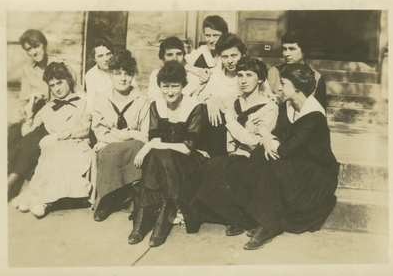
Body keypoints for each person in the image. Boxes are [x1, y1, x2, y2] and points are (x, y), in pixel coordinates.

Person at [221, 63, 339, 250]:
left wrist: (267, 138)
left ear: (297, 87)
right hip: (297, 164)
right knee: (262, 153)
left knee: (273, 161)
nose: (279, 88)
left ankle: (268, 225)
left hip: (316, 175)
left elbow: (285, 149)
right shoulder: (287, 106)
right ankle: (260, 218)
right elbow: (279, 137)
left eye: (283, 83)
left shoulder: (314, 115)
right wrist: (268, 139)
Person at [197, 56, 279, 237]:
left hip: (251, 158)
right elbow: (202, 96)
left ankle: (237, 219)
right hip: (230, 155)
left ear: (261, 79)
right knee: (208, 165)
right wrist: (210, 101)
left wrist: (231, 121)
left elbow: (255, 141)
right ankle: (233, 218)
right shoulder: (232, 100)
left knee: (217, 166)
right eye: (240, 75)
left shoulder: (269, 107)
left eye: (249, 75)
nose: (243, 80)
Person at [129, 61, 207, 247]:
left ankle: (153, 221)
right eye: (165, 86)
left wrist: (148, 147)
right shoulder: (156, 105)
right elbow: (154, 137)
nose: (170, 92)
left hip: (188, 162)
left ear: (183, 86)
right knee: (159, 156)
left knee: (158, 154)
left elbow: (187, 148)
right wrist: (152, 146)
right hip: (164, 161)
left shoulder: (195, 107)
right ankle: (151, 219)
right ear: (160, 86)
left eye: (175, 86)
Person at [11, 62, 93, 218]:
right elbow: (28, 133)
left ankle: (45, 202)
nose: (57, 88)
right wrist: (29, 112)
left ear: (68, 80)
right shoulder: (47, 108)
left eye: (60, 83)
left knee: (57, 153)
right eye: (53, 85)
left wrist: (58, 135)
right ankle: (33, 197)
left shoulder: (83, 103)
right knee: (51, 153)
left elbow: (85, 130)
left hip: (77, 147)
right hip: (55, 148)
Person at [8, 29, 82, 200]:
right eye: (29, 49)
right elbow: (23, 99)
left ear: (44, 44)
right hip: (35, 114)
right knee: (12, 134)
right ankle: (16, 180)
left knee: (30, 140)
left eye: (36, 46)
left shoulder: (61, 66)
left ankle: (12, 182)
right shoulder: (28, 70)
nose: (34, 51)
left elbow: (77, 93)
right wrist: (24, 113)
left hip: (57, 117)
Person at [91, 50, 151, 222]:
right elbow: (100, 131)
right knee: (107, 152)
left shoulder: (142, 100)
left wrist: (122, 134)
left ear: (133, 75)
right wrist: (127, 134)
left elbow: (145, 135)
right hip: (112, 144)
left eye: (128, 73)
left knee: (117, 150)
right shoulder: (101, 99)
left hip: (134, 146)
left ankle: (129, 196)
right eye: (118, 74)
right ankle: (107, 199)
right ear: (110, 74)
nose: (123, 78)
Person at [194, 33, 245, 156]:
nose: (230, 61)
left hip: (242, 125)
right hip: (218, 128)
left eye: (234, 55)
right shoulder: (216, 75)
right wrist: (210, 100)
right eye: (225, 57)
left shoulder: (250, 73)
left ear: (242, 55)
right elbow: (199, 96)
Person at [267, 29, 327, 109]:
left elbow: (320, 111)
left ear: (304, 51)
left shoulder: (316, 77)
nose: (286, 54)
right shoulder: (274, 72)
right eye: (284, 49)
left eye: (292, 49)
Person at [85, 36, 140, 112]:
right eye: (100, 56)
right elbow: (91, 104)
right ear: (94, 59)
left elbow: (135, 92)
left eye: (108, 54)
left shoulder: (122, 67)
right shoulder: (91, 75)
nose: (106, 59)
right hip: (103, 113)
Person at [185, 15, 228, 86]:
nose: (211, 40)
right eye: (208, 36)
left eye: (216, 35)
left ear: (224, 35)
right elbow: (187, 65)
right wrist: (199, 71)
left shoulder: (229, 52)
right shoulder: (203, 49)